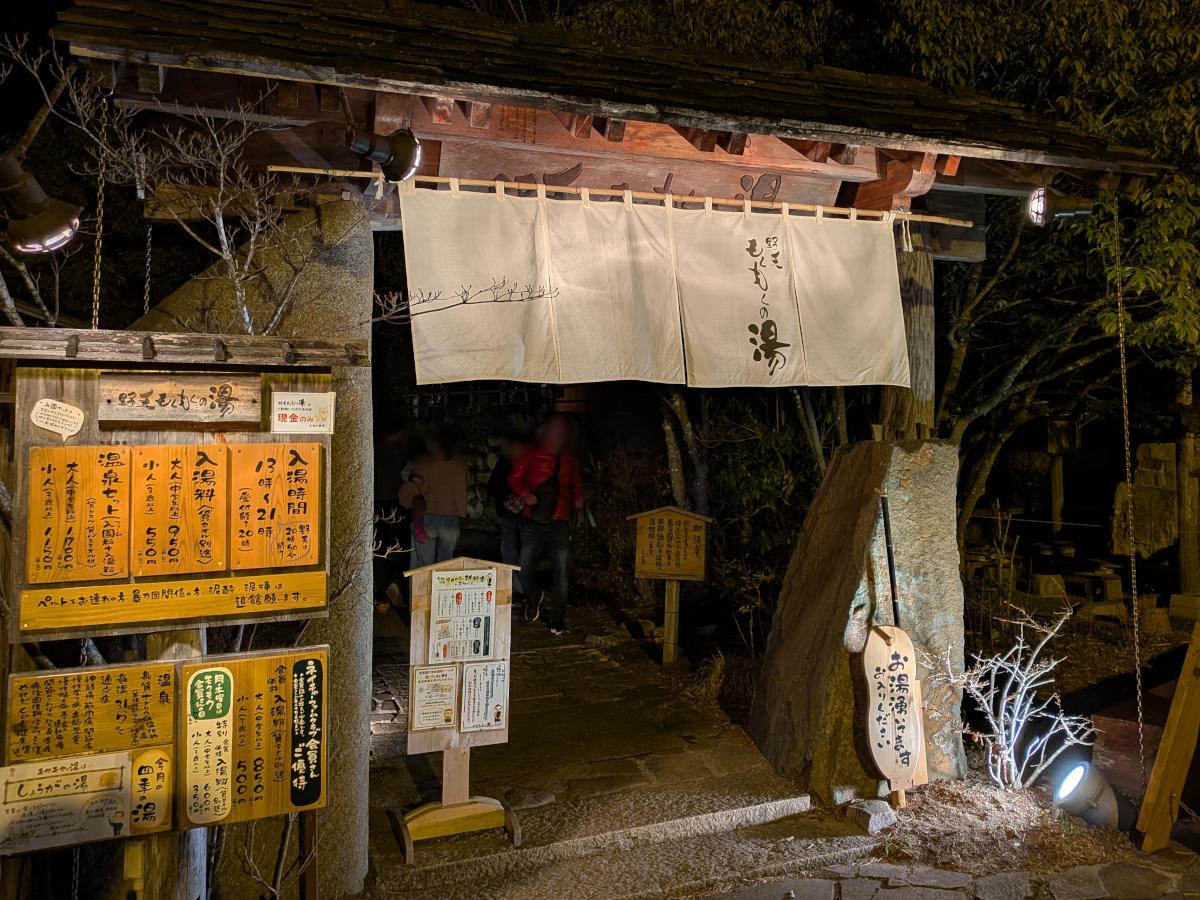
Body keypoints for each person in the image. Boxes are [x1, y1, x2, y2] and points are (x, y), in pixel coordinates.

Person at [508, 415, 584, 636]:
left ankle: (557, 621)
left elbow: (576, 483)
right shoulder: (532, 454)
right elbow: (514, 478)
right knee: (524, 568)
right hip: (534, 518)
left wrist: (578, 500)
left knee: (561, 573)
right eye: (554, 430)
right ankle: (534, 595)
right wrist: (525, 493)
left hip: (560, 521)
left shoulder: (569, 459)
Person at [400, 429, 469, 568]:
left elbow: (408, 492)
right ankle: (440, 590)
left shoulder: (424, 466)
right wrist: (462, 514)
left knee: (422, 564)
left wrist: (407, 504)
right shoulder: (460, 467)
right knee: (445, 563)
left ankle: (420, 589)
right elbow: (462, 494)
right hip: (451, 519)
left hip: (427, 517)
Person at [487, 431, 531, 571]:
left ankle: (515, 580)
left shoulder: (505, 463)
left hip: (513, 510)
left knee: (512, 546)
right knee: (519, 546)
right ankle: (519, 581)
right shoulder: (529, 462)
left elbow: (492, 487)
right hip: (519, 511)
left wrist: (506, 497)